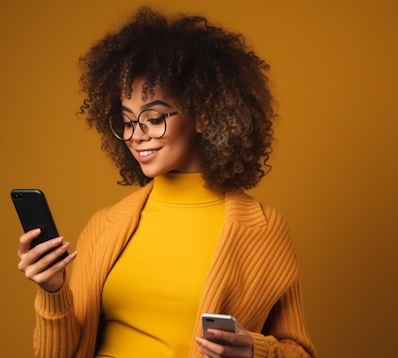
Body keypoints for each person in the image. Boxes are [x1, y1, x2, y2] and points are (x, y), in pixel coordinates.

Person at [17, 6, 317, 358]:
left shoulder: (263, 230)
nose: (136, 135)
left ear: (204, 115)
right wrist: (53, 291)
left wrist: (254, 350)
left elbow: (300, 352)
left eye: (154, 117)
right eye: (127, 121)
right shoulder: (105, 226)